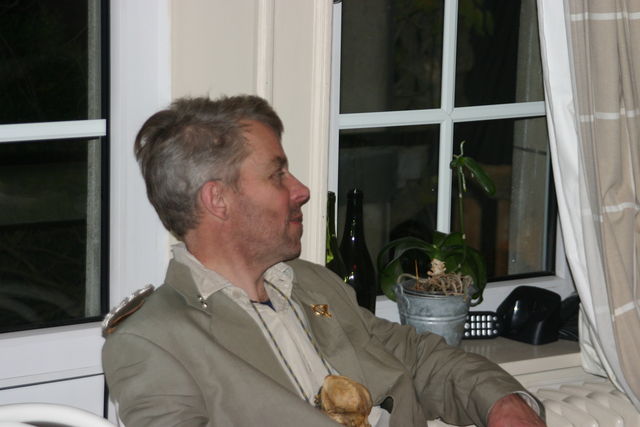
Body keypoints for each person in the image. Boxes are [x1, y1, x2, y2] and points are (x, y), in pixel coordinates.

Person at [102, 95, 545, 427]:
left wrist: (503, 402)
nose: (302, 190)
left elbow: (417, 356)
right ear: (218, 199)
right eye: (277, 174)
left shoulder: (311, 283)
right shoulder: (152, 340)